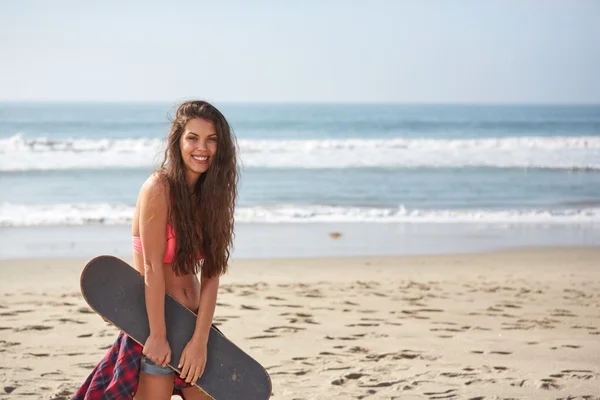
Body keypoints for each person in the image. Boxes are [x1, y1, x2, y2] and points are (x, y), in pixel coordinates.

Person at [71, 100, 238, 400]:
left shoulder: (214, 195)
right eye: (193, 137)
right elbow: (151, 268)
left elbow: (212, 274)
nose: (203, 148)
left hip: (194, 323)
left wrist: (200, 340)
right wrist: (158, 336)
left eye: (211, 140)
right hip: (155, 323)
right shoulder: (158, 188)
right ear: (178, 140)